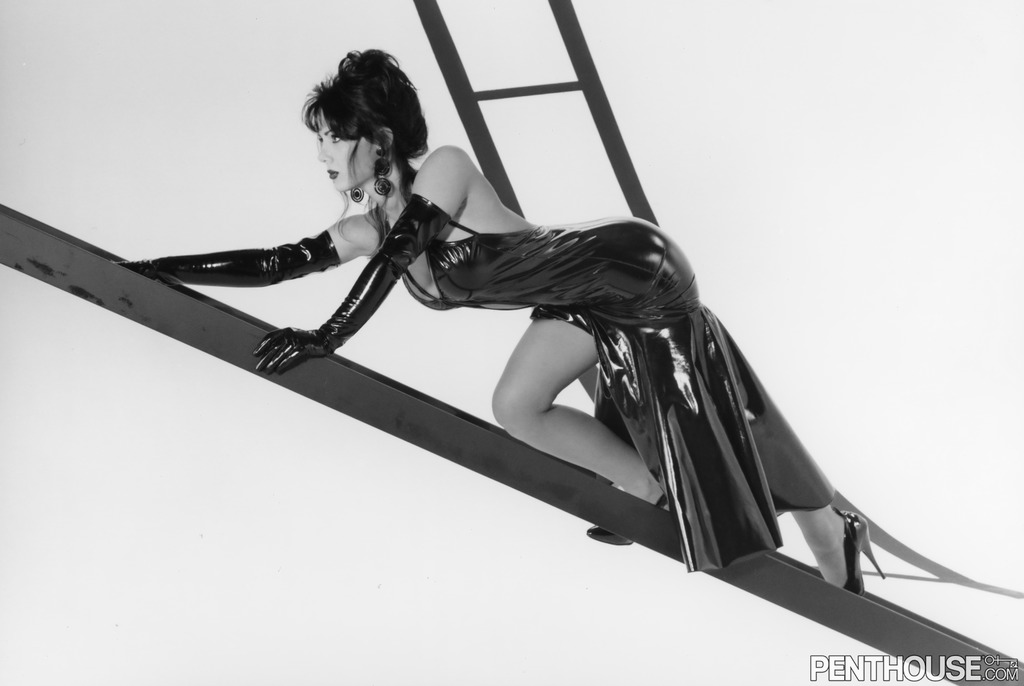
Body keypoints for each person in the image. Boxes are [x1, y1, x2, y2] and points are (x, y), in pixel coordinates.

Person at [122, 50, 884, 593]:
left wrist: (323, 338)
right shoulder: (364, 226)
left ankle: (795, 522)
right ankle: (674, 496)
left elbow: (397, 258)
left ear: (378, 141)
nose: (319, 150)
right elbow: (276, 260)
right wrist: (159, 267)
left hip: (628, 267)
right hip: (585, 299)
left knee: (658, 407)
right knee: (570, 407)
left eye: (331, 134)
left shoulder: (445, 170)